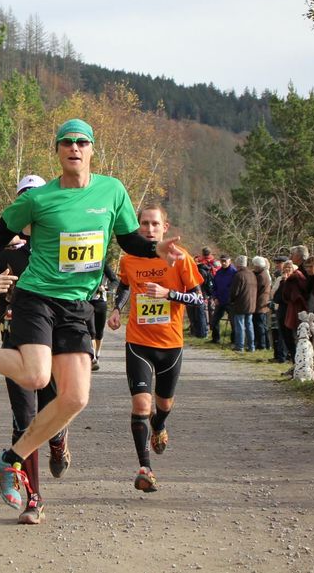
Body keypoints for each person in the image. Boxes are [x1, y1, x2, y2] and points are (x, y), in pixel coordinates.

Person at [0, 119, 184, 517]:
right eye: (67, 142)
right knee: (34, 376)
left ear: (91, 149)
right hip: (37, 298)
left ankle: (9, 460)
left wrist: (154, 248)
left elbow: (127, 238)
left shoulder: (112, 190)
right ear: (58, 151)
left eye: (82, 142)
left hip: (78, 306)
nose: (75, 148)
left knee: (76, 397)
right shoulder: (39, 198)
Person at [0, 173, 68, 524]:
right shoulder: (5, 253)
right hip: (15, 347)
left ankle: (58, 440)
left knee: (55, 412)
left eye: (36, 196)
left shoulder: (59, 247)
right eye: (24, 197)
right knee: (24, 422)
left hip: (55, 348)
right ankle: (34, 498)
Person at [107, 204, 203, 493]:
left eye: (154, 224)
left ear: (165, 227)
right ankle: (145, 468)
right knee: (141, 404)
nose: (149, 229)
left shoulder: (180, 258)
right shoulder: (129, 259)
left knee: (164, 406)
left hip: (171, 344)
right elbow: (124, 286)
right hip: (138, 342)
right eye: (144, 224)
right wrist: (116, 309)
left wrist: (168, 294)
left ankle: (159, 426)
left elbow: (200, 300)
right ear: (138, 228)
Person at [90, 264, 119, 370]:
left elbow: (115, 281)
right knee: (91, 331)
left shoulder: (103, 265)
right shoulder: (82, 264)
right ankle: (92, 358)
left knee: (99, 332)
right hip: (86, 301)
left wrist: (106, 288)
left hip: (100, 302)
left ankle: (97, 354)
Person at [228, 255, 256, 351]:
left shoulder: (239, 275)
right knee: (249, 325)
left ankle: (240, 346)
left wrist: (231, 300)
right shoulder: (252, 274)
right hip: (251, 304)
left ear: (238, 265)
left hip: (241, 304)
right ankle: (251, 346)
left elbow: (235, 291)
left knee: (240, 325)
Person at [209, 255, 236, 344]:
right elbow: (214, 287)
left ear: (229, 261)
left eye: (225, 261)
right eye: (222, 261)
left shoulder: (234, 272)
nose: (223, 263)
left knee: (233, 322)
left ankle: (234, 340)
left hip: (230, 301)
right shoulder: (219, 272)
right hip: (219, 301)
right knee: (215, 320)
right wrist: (215, 297)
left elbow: (235, 288)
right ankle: (215, 339)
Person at [251, 257, 272, 352]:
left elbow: (257, 288)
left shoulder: (261, 276)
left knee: (260, 324)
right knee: (262, 324)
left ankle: (262, 344)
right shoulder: (263, 273)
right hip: (262, 302)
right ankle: (265, 344)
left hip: (260, 302)